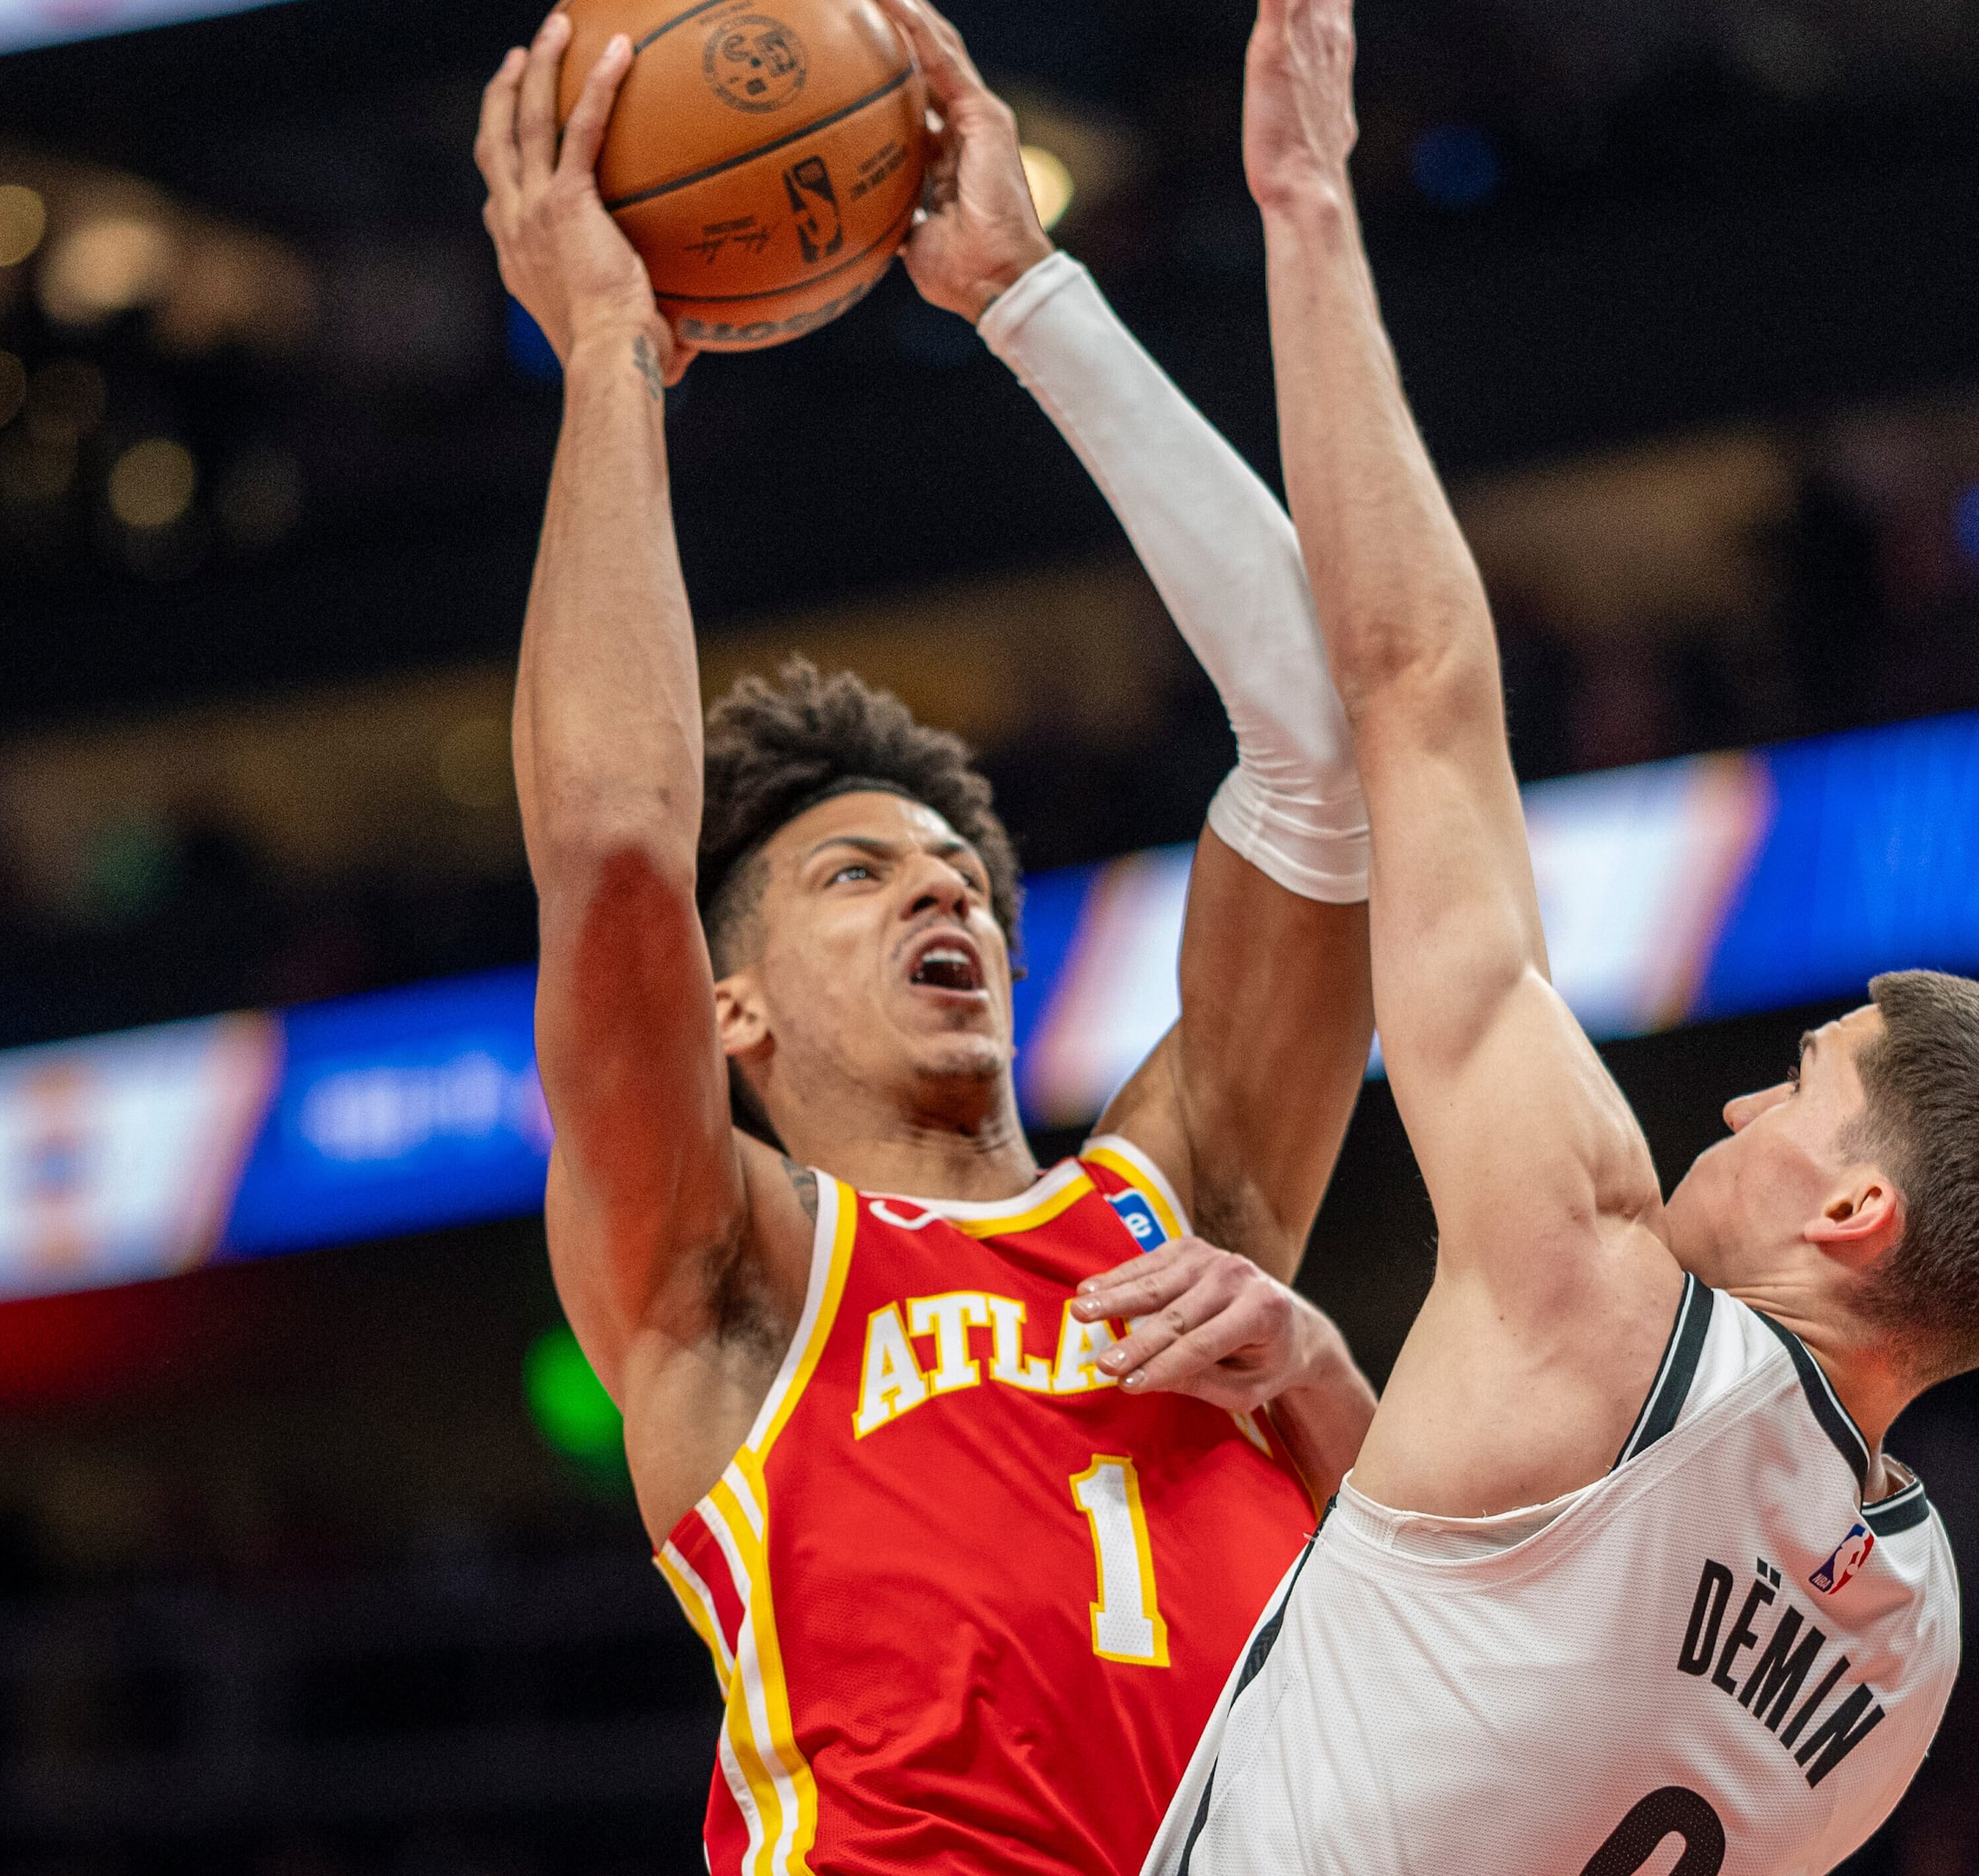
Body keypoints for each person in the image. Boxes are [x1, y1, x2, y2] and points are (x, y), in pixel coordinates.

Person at [1138, 2, 1979, 1871]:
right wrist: (1316, 1382)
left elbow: (1419, 694)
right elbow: (1510, 1636)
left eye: (1796, 1091)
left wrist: (1304, 207)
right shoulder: (1908, 1637)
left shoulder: (1593, 1299)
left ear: (1858, 1215)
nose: (1726, 1121)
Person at [471, 3, 1382, 1872]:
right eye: (855, 875)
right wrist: (613, 358)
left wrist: (1034, 299)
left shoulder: (1183, 1212)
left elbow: (1328, 761)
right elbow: (617, 860)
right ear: (731, 1009)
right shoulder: (728, 1276)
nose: (946, 887)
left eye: (957, 871)